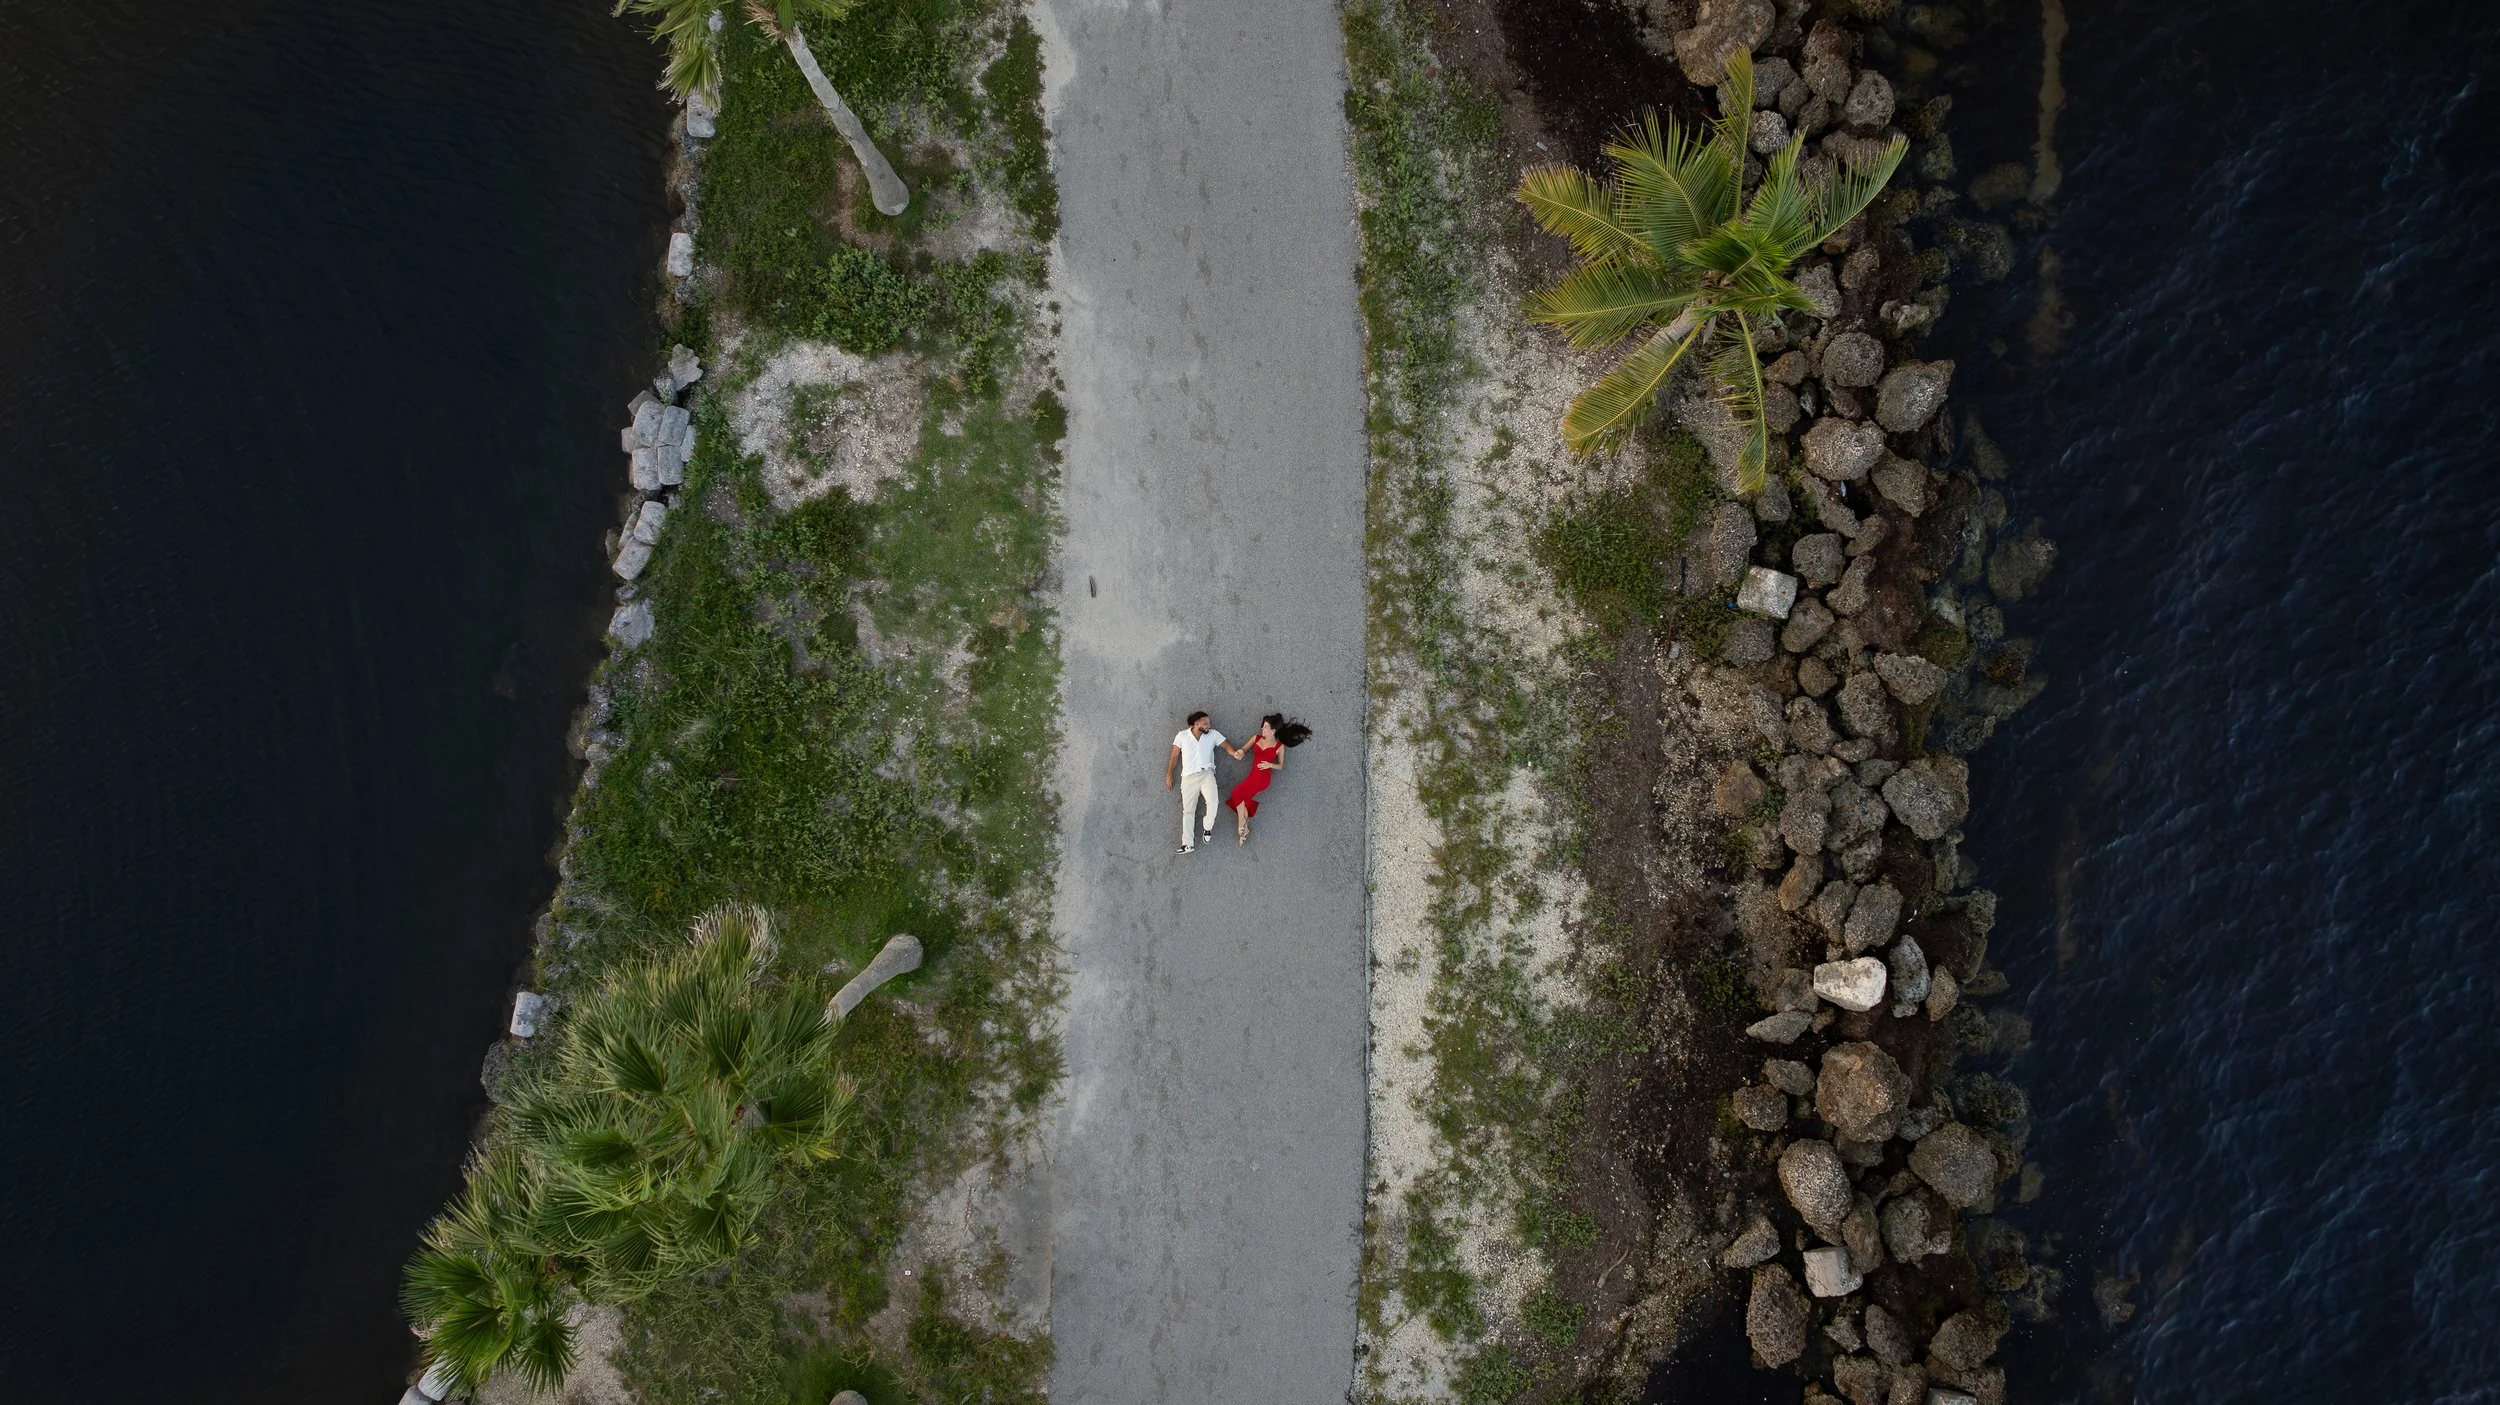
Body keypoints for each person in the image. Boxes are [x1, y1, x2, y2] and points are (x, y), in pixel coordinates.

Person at [1224, 713, 1312, 845]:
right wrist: (1240, 752)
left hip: (1262, 780)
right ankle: (1244, 829)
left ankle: (1241, 828)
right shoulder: (1256, 738)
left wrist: (1269, 764)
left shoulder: (1279, 747)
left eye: (1265, 727)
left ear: (1273, 730)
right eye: (1262, 726)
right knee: (1239, 797)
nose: (1262, 729)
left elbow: (1281, 766)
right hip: (1252, 776)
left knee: (1236, 794)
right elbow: (1244, 749)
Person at [1164, 710, 1239, 855]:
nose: (1208, 726)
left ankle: (1208, 827)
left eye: (1209, 723)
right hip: (1188, 778)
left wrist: (1234, 752)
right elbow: (1174, 756)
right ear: (1195, 723)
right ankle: (1187, 844)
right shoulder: (1182, 736)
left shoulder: (1213, 734)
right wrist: (1169, 775)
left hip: (1206, 774)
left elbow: (1226, 745)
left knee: (1213, 802)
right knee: (1188, 811)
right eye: (1205, 723)